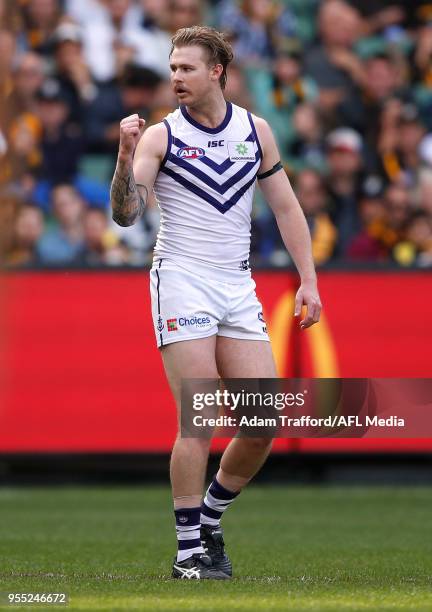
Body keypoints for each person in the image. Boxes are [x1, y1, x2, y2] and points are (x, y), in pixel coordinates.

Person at [110, 26, 321, 580]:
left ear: (217, 72)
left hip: (237, 283)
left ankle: (209, 518)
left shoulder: (255, 131)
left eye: (186, 68)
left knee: (261, 426)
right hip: (181, 277)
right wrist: (125, 155)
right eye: (172, 67)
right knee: (198, 418)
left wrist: (308, 280)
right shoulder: (160, 137)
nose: (175, 77)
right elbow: (127, 214)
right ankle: (188, 556)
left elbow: (287, 209)